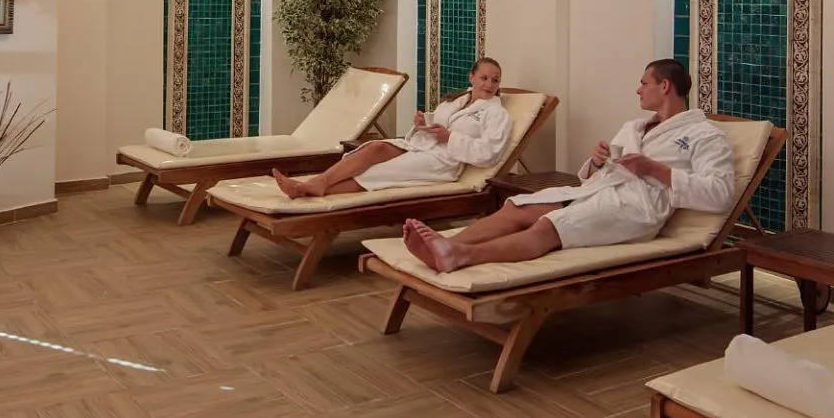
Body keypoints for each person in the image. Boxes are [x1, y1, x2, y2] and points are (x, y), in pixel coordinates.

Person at [403, 58, 735, 273]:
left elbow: (721, 193)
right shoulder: (635, 127)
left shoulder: (704, 135)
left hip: (636, 209)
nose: (638, 89)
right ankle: (448, 243)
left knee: (548, 226)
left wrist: (655, 170)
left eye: (644, 83)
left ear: (664, 86)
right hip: (599, 192)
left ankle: (459, 255)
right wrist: (596, 162)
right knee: (515, 207)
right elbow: (597, 174)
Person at [271, 57, 512, 199]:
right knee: (374, 148)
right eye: (484, 78)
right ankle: (320, 181)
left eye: (495, 80)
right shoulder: (457, 100)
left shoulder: (497, 114)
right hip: (420, 146)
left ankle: (305, 189)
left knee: (378, 172)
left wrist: (450, 138)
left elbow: (489, 153)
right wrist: (423, 124)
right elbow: (442, 122)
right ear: (471, 77)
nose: (489, 84)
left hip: (442, 162)